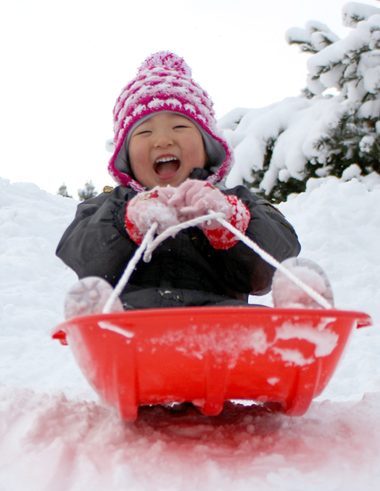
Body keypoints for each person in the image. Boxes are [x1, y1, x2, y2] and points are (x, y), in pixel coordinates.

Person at [57, 51, 326, 318]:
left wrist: (231, 221)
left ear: (208, 147)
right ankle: (96, 332)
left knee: (293, 278)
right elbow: (84, 260)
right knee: (92, 296)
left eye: (180, 127)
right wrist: (126, 222)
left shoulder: (237, 202)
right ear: (125, 156)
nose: (162, 140)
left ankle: (301, 323)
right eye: (145, 131)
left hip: (222, 325)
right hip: (134, 324)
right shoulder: (111, 205)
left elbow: (269, 268)